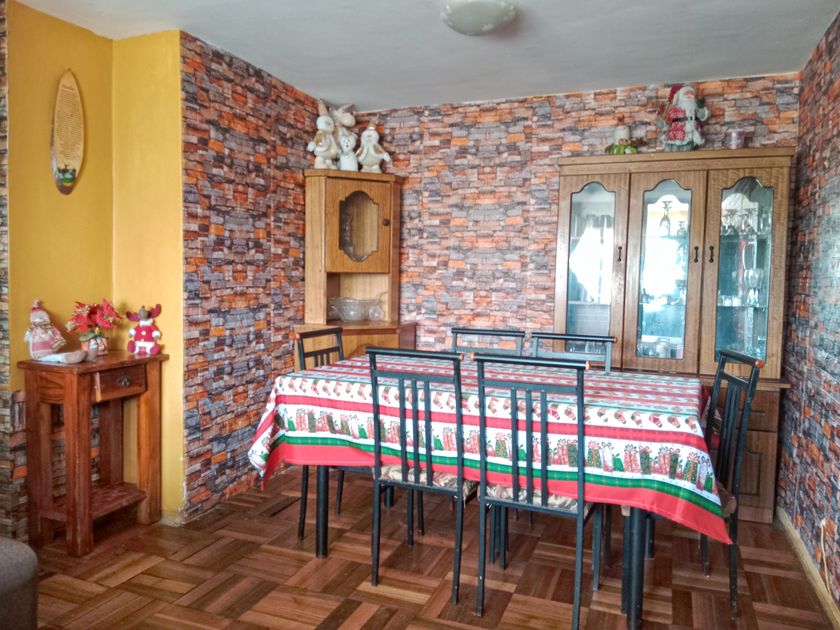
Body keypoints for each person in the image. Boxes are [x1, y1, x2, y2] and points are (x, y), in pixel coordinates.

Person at [658, 84, 709, 151]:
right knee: (672, 151)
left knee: (687, 152)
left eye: (691, 93)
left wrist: (701, 106)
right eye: (686, 93)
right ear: (681, 96)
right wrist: (662, 124)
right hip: (674, 135)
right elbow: (666, 121)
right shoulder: (673, 109)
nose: (689, 95)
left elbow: (703, 116)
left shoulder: (695, 109)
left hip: (690, 136)